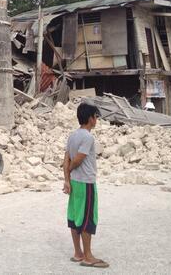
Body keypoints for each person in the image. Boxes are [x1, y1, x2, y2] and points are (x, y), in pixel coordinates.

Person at [63, 102, 109, 269]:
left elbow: (65, 159)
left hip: (75, 182)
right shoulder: (88, 137)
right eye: (95, 117)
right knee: (87, 218)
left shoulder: (72, 136)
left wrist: (67, 179)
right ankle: (88, 256)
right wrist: (70, 170)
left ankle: (78, 253)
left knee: (75, 217)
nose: (96, 120)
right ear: (90, 118)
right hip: (86, 183)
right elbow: (76, 160)